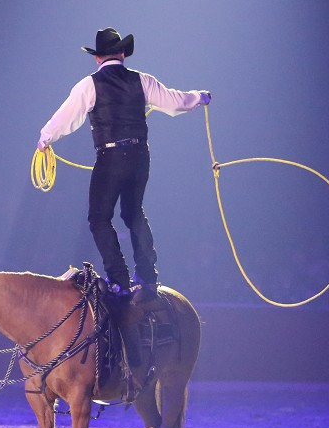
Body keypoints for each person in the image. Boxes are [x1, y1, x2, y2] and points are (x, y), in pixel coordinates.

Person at [38, 27, 211, 299]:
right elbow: (175, 102)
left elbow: (66, 117)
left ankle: (119, 278)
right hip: (140, 157)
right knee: (133, 213)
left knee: (99, 218)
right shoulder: (142, 80)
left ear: (97, 58)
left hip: (111, 158)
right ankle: (147, 274)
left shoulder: (89, 85)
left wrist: (45, 138)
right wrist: (200, 97)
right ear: (122, 53)